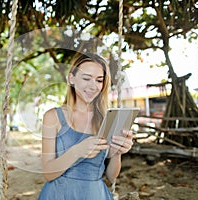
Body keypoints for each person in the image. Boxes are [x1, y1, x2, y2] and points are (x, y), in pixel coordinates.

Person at [38, 53, 134, 200]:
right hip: (59, 194)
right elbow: (49, 173)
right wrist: (77, 151)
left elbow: (111, 176)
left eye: (99, 80)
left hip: (95, 194)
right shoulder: (53, 117)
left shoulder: (106, 119)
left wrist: (117, 153)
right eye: (86, 78)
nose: (93, 86)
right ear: (71, 78)